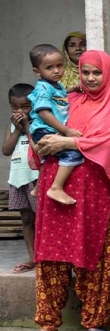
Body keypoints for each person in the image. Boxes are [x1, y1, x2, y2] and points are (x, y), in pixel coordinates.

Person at [25, 50, 110, 331]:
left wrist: (70, 142)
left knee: (94, 253)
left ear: (108, 73)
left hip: (96, 192)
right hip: (55, 187)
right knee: (50, 254)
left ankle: (95, 320)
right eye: (85, 72)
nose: (90, 78)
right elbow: (42, 128)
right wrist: (45, 143)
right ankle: (47, 321)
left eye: (96, 72)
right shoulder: (67, 99)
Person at [27, 44, 83, 205]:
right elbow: (43, 112)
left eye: (59, 66)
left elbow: (60, 96)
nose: (56, 71)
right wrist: (66, 131)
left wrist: (73, 90)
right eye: (49, 67)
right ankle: (56, 187)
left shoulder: (54, 85)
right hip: (44, 129)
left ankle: (37, 188)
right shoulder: (44, 88)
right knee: (73, 154)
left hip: (46, 129)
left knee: (48, 158)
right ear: (37, 71)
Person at [3, 83, 38, 273]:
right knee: (26, 219)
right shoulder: (11, 126)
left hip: (36, 179)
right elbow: (6, 150)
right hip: (18, 179)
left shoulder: (40, 122)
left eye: (25, 107)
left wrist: (26, 125)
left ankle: (45, 256)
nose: (19, 111)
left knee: (42, 218)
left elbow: (38, 146)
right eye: (14, 107)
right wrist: (17, 129)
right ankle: (32, 257)